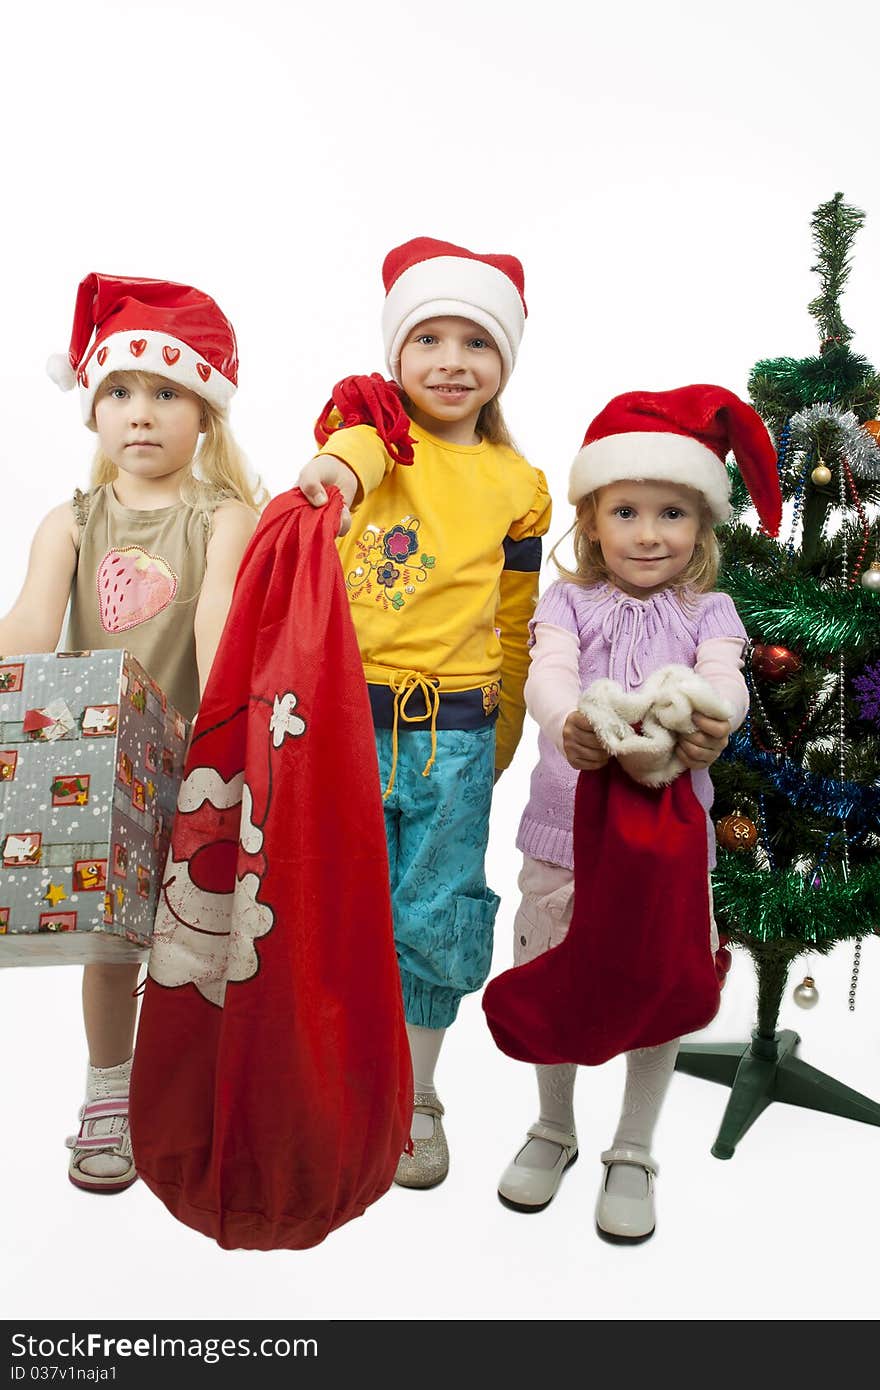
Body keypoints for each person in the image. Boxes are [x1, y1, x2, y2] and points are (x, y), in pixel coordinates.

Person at [491, 384, 781, 1240]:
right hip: (564, 835)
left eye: (672, 514)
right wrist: (568, 723)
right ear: (590, 519)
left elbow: (724, 677)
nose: (649, 534)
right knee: (557, 971)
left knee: (661, 981)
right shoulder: (567, 603)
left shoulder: (711, 611)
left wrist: (710, 724)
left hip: (670, 840)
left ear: (701, 526)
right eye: (627, 511)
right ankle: (554, 1126)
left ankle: (632, 1146)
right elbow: (548, 672)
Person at [0, 273, 265, 1193]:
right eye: (118, 391)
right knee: (115, 941)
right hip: (94, 757)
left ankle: (195, 1094)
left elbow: (216, 625)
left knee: (197, 939)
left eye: (166, 393)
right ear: (91, 412)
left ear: (206, 416)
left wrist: (215, 729)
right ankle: (107, 1093)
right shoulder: (70, 521)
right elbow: (32, 625)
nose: (140, 414)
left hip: (194, 756)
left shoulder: (221, 517)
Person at [297, 237, 551, 1187]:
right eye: (429, 339)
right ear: (397, 354)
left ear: (504, 364)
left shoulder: (518, 488)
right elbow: (349, 460)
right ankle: (330, 1077)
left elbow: (517, 620)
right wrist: (338, 470)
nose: (452, 361)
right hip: (345, 724)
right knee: (333, 900)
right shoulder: (370, 438)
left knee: (436, 909)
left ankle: (419, 1089)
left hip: (456, 732)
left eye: (476, 343)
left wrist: (508, 724)